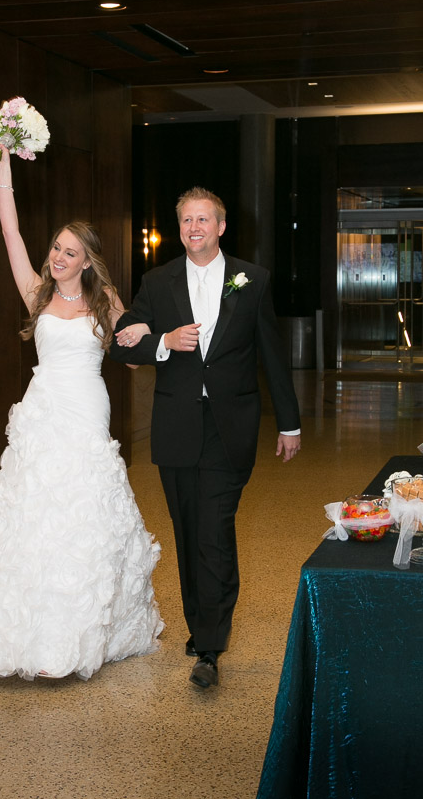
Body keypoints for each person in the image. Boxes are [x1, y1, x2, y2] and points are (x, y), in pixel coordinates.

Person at [0, 149, 163, 681]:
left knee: (82, 507)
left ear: (87, 260)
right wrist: (3, 170)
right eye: (55, 249)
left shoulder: (105, 299)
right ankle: (30, 633)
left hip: (87, 407)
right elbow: (10, 235)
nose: (58, 257)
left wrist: (161, 343)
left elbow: (134, 339)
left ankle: (84, 627)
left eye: (70, 252)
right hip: (42, 408)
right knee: (34, 509)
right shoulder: (36, 293)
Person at [110, 186, 300, 690]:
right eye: (186, 221)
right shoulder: (158, 280)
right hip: (176, 429)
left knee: (214, 531)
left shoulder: (251, 280)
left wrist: (290, 422)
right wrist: (161, 341)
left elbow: (272, 354)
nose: (194, 228)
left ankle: (210, 647)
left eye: (203, 219)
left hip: (229, 428)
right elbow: (124, 342)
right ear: (181, 230)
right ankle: (200, 627)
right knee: (187, 530)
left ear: (220, 227)